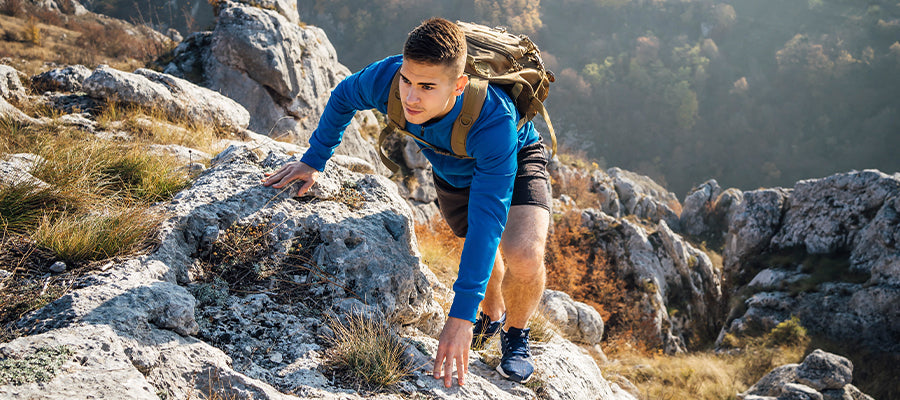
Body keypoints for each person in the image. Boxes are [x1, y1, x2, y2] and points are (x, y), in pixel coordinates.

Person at [262, 17, 550, 387]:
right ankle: (493, 315)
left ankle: (516, 334)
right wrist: (313, 160)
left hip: (514, 157)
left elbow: (488, 221)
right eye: (407, 80)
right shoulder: (387, 78)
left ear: (459, 85)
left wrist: (459, 317)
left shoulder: (494, 122)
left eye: (427, 87)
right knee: (480, 246)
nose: (411, 98)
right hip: (451, 168)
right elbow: (344, 96)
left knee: (523, 252)